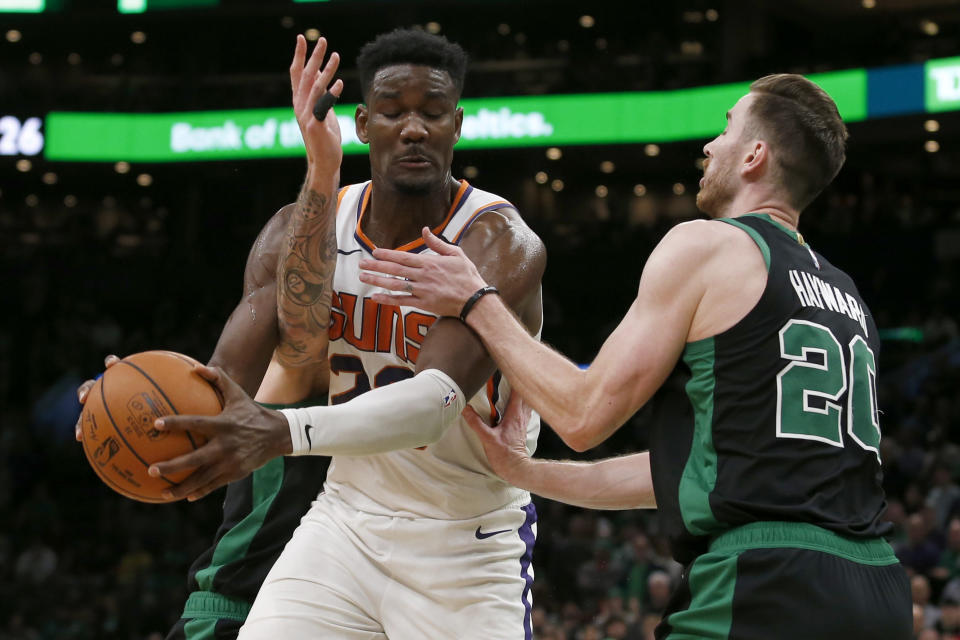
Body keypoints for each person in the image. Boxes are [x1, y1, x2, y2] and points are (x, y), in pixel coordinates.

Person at [359, 73, 913, 638]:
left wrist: (474, 299)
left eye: (726, 129)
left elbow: (582, 415)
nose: (710, 145)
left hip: (769, 584)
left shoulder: (709, 244)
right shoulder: (846, 295)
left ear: (754, 155)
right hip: (878, 589)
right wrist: (525, 472)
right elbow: (700, 471)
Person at [151, 28, 546, 638]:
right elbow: (224, 381)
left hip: (465, 543)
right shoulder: (300, 227)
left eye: (433, 113)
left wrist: (284, 430)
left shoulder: (496, 241)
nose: (413, 128)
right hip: (345, 521)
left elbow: (432, 404)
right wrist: (135, 404)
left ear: (457, 125)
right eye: (392, 112)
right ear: (363, 123)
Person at [73, 35, 344, 639]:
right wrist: (134, 407)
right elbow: (204, 402)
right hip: (246, 603)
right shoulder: (283, 278)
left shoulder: (433, 284)